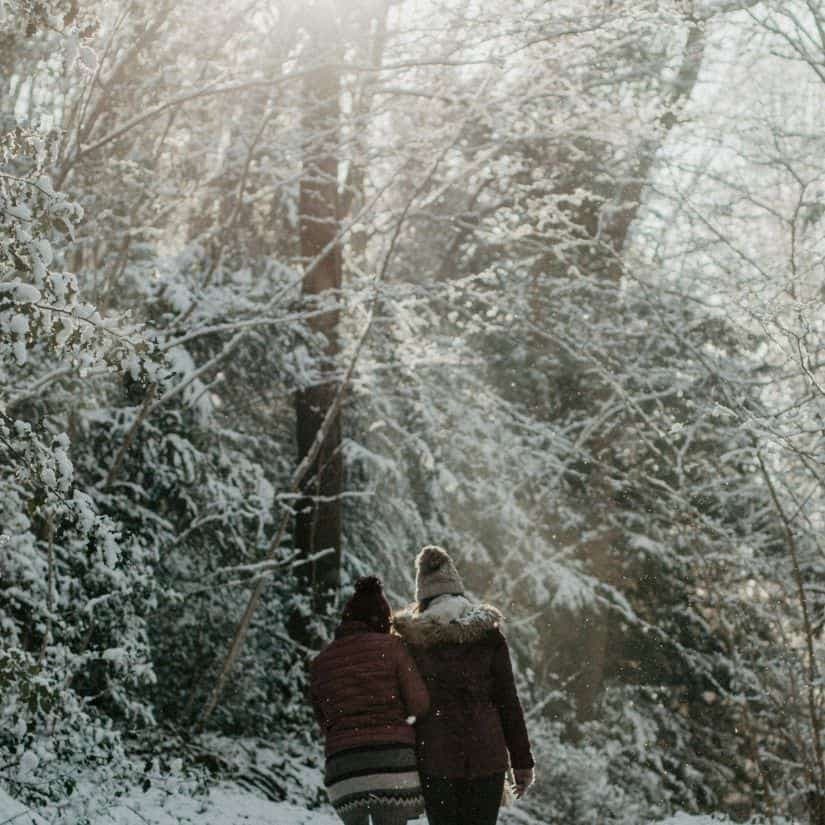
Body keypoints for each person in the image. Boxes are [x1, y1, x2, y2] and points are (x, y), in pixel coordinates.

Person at [393, 546, 535, 825]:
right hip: (486, 757)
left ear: (423, 597)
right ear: (459, 592)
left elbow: (404, 703)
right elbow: (508, 701)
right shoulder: (489, 636)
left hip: (436, 758)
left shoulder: (413, 642)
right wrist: (522, 762)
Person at [310, 576, 430, 825]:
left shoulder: (321, 661)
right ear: (382, 619)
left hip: (344, 770)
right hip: (392, 764)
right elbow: (420, 703)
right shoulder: (394, 647)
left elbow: (323, 720)